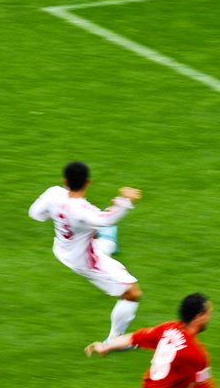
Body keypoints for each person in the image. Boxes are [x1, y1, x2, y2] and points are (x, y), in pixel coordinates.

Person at [29, 161, 142, 342]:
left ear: (64, 180)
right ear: (88, 182)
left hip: (62, 248)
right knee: (132, 293)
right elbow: (107, 220)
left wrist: (59, 215)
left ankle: (106, 244)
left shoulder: (53, 193)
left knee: (104, 234)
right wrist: (124, 201)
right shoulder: (84, 211)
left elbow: (34, 214)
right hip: (84, 260)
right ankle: (114, 341)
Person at [85, 293, 215, 388]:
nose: (209, 317)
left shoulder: (168, 328)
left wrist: (106, 346)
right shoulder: (196, 355)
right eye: (208, 313)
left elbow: (132, 338)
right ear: (198, 317)